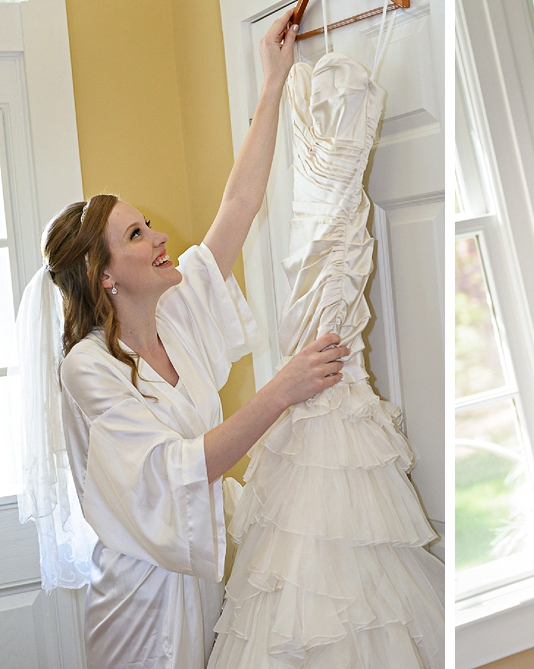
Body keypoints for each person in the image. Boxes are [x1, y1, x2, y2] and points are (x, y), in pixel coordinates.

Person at [22, 9, 349, 669]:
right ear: (105, 275)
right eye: (137, 234)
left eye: (148, 224)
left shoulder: (175, 312)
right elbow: (183, 468)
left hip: (201, 577)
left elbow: (238, 207)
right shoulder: (88, 371)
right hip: (139, 605)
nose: (161, 236)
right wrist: (281, 389)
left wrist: (272, 81)